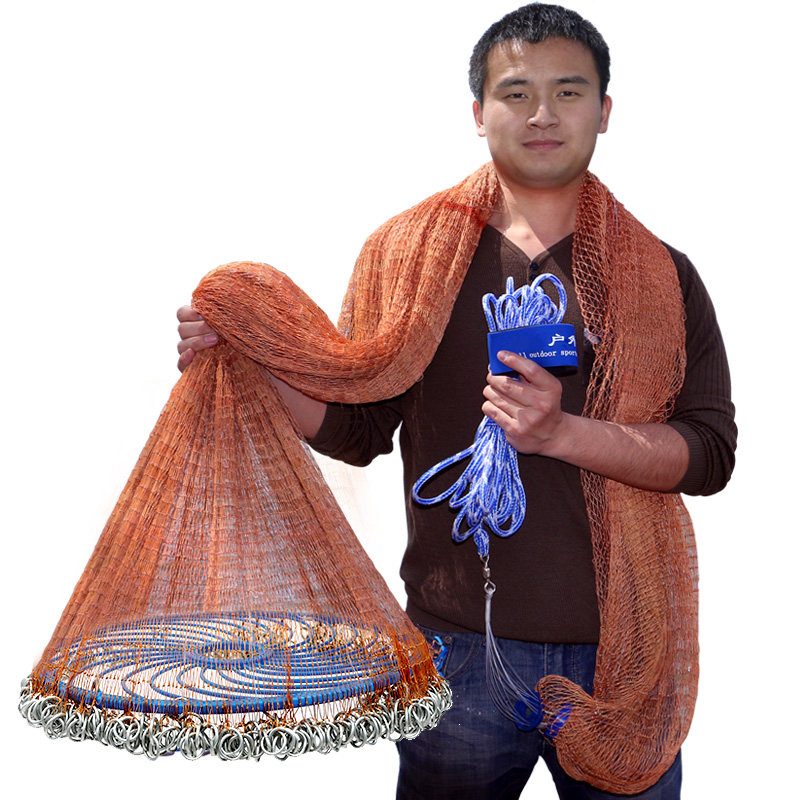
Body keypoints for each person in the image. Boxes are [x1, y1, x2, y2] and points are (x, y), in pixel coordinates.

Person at [176, 4, 735, 798]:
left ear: (605, 110)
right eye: (516, 93)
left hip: (624, 659)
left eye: (569, 92)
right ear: (478, 112)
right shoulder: (404, 255)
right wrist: (249, 367)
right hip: (454, 653)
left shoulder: (664, 277)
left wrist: (561, 433)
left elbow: (709, 452)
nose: (542, 114)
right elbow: (360, 425)